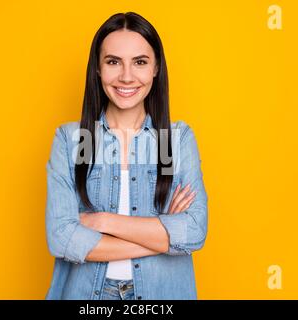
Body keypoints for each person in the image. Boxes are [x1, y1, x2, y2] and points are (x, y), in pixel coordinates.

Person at [45, 12, 208, 300]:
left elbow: (193, 232)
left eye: (140, 62)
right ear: (97, 68)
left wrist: (104, 221)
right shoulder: (72, 140)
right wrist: (162, 237)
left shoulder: (175, 139)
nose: (126, 76)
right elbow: (62, 239)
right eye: (113, 62)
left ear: (156, 68)